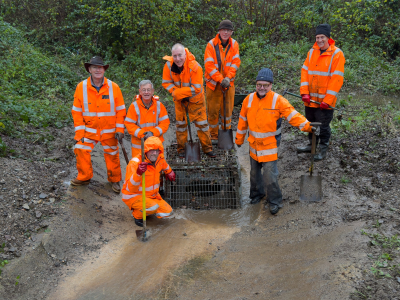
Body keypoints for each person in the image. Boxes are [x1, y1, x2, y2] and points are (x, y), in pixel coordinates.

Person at [235, 68, 315, 215]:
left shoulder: (278, 100)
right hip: (253, 146)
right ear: (256, 84)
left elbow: (293, 115)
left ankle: (275, 201)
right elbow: (242, 121)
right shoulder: (248, 99)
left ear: (271, 85)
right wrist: (239, 139)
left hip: (269, 147)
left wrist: (309, 126)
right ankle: (257, 195)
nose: (262, 88)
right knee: (254, 174)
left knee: (270, 175)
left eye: (265, 85)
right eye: (259, 84)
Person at [71, 56, 126, 193]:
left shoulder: (113, 87)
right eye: (94, 67)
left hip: (109, 131)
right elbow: (76, 112)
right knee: (80, 148)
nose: (97, 70)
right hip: (90, 130)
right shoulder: (81, 87)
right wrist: (80, 133)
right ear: (89, 69)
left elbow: (121, 111)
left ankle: (114, 180)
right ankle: (84, 177)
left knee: (112, 153)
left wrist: (119, 129)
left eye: (100, 67)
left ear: (104, 70)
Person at [297, 23, 345, 161]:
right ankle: (311, 145)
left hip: (325, 102)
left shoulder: (337, 54)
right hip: (310, 99)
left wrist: (328, 100)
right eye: (317, 37)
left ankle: (322, 149)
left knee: (323, 126)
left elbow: (337, 79)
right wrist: (304, 92)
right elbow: (305, 72)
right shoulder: (312, 51)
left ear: (328, 38)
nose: (319, 40)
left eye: (322, 37)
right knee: (310, 123)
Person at [162, 43, 216, 158]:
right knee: (181, 126)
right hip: (180, 103)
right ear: (172, 56)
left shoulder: (195, 67)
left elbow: (197, 88)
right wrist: (176, 93)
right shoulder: (168, 65)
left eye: (180, 55)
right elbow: (166, 82)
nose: (177, 59)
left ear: (185, 54)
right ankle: (181, 149)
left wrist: (178, 93)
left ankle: (207, 149)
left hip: (196, 102)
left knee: (202, 126)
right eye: (175, 56)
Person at [121, 136, 176, 227]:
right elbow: (130, 188)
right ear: (146, 150)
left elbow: (164, 165)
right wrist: (138, 173)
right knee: (152, 207)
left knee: (168, 212)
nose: (154, 153)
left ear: (160, 151)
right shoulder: (135, 163)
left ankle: (148, 211)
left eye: (157, 150)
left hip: (152, 196)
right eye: (151, 150)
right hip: (135, 196)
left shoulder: (159, 159)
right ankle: (137, 215)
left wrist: (169, 172)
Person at [204, 20, 241, 142]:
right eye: (223, 30)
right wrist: (221, 79)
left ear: (231, 32)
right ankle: (213, 136)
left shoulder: (234, 44)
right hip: (213, 86)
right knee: (213, 112)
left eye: (228, 30)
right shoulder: (211, 45)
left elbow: (236, 63)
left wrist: (228, 78)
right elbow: (209, 66)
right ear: (219, 31)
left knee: (227, 112)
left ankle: (225, 136)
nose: (225, 32)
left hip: (228, 85)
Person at [125, 80, 170, 158]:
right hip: (139, 147)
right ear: (140, 92)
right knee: (139, 169)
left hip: (155, 146)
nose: (146, 92)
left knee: (156, 169)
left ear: (152, 91)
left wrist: (152, 133)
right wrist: (143, 134)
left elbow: (165, 123)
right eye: (144, 90)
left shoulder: (159, 106)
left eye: (148, 90)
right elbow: (129, 124)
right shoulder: (134, 106)